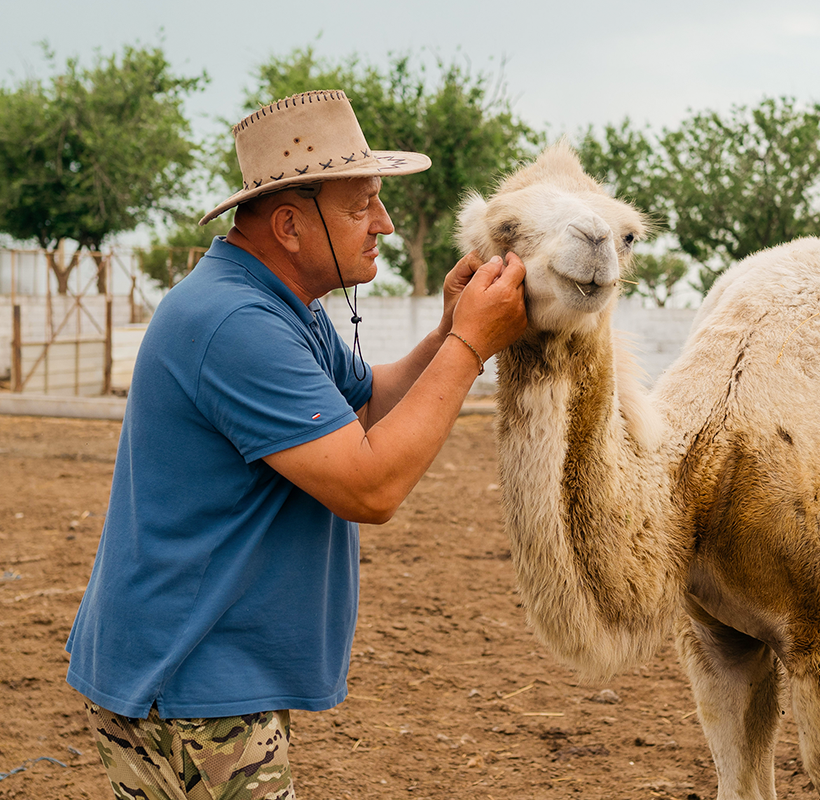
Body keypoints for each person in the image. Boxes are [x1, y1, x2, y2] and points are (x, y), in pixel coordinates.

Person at [64, 89, 527, 800]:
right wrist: (471, 345)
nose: (385, 222)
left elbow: (368, 402)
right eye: (361, 203)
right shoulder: (237, 323)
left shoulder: (276, 305)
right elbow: (369, 487)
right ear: (289, 224)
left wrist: (446, 330)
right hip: (192, 683)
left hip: (185, 671)